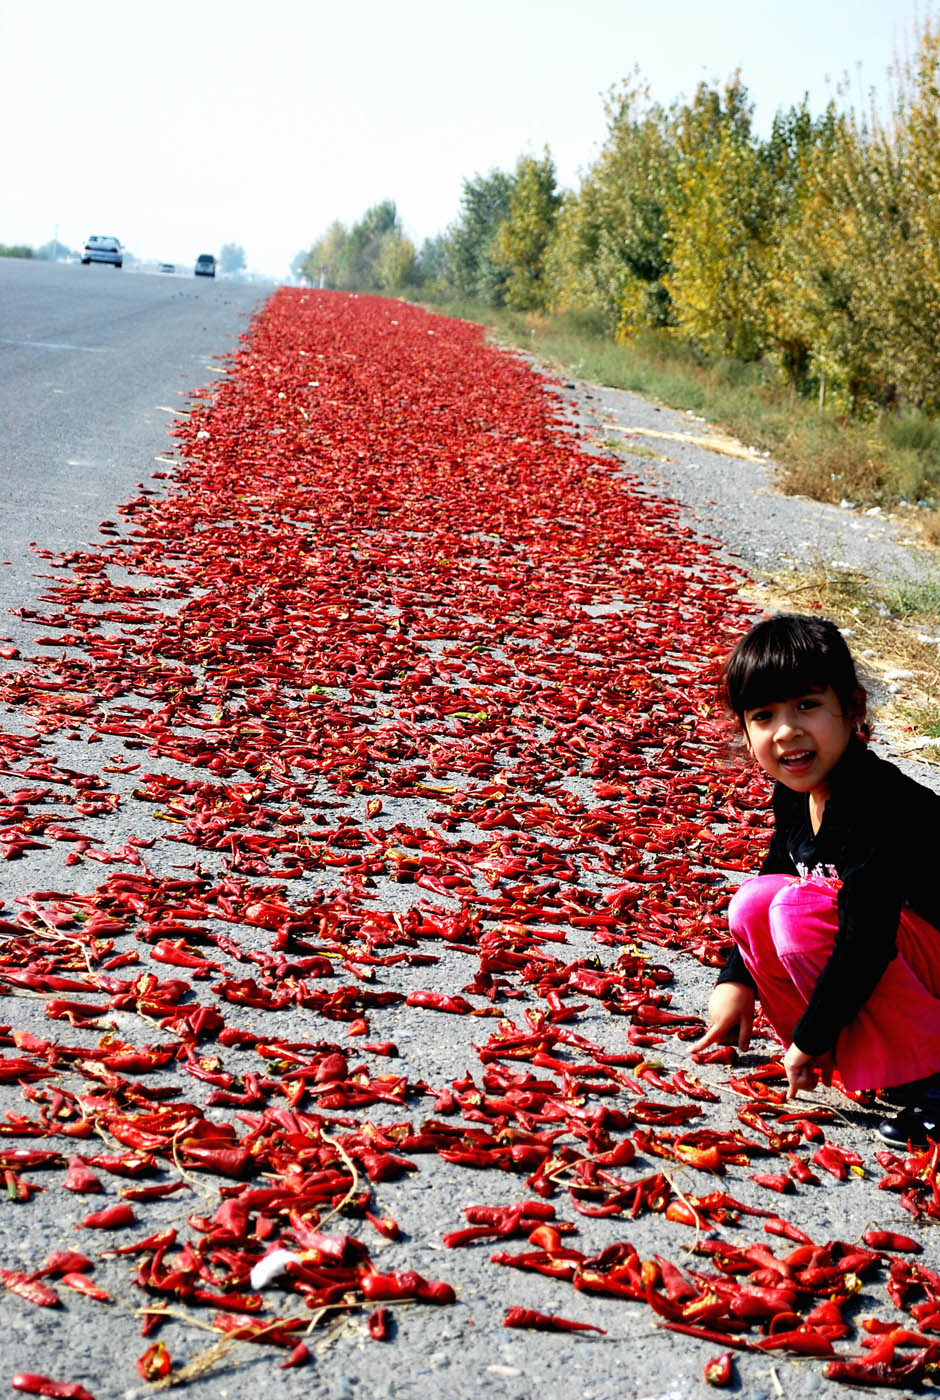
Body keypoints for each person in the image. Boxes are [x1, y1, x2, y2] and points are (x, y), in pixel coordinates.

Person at [691, 612, 940, 1146]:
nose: (787, 731)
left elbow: (867, 939)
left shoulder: (879, 807)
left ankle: (934, 1073)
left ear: (852, 709)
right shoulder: (797, 794)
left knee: (798, 911)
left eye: (807, 705)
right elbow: (775, 876)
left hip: (924, 956)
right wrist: (736, 982)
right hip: (902, 961)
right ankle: (875, 1056)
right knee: (758, 903)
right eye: (763, 716)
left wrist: (813, 1035)